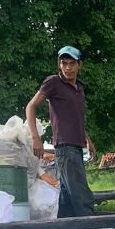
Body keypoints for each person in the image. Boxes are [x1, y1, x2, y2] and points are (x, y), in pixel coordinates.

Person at [26, 45, 98, 218]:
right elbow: (31, 106)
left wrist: (88, 139)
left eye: (72, 63)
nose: (67, 67)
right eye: (64, 63)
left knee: (66, 198)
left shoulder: (79, 88)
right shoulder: (53, 82)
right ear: (59, 64)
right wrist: (36, 138)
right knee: (81, 195)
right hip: (64, 147)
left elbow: (76, 118)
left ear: (79, 64)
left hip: (77, 146)